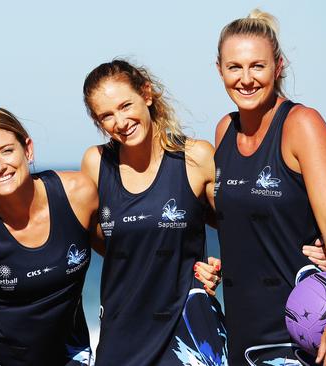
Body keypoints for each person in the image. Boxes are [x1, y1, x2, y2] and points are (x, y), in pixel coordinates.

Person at [81, 59, 228, 365]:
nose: (120, 121)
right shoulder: (96, 164)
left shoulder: (196, 157)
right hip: (123, 330)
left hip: (189, 327)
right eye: (106, 115)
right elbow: (78, 239)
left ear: (146, 94)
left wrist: (219, 267)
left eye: (125, 105)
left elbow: (241, 227)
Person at [210, 9, 326, 365]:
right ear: (220, 70)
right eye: (235, 67)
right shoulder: (224, 131)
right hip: (240, 330)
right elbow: (234, 219)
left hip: (299, 328)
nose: (246, 79)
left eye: (257, 66)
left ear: (278, 66)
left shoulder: (302, 125)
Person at [0, 107, 97, 366]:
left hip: (68, 351)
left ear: (28, 149)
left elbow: (124, 249)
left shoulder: (78, 195)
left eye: (7, 150)